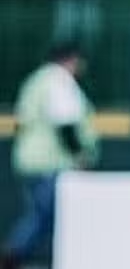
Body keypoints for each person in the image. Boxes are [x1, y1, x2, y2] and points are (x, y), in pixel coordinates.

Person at [2, 43, 99, 269]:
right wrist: (80, 155)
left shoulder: (38, 80)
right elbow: (65, 123)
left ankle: (13, 256)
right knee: (46, 215)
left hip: (31, 161)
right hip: (49, 163)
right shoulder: (58, 80)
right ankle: (10, 257)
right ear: (70, 60)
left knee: (42, 215)